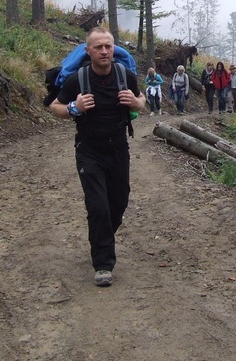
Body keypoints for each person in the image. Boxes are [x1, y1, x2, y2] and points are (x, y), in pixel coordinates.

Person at [49, 27, 145, 287]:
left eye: (108, 46)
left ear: (114, 49)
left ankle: (101, 236)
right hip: (88, 149)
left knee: (119, 202)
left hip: (118, 148)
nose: (104, 51)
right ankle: (103, 264)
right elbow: (54, 106)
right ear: (88, 51)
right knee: (97, 205)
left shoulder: (125, 76)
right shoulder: (77, 80)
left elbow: (141, 100)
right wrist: (73, 107)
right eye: (99, 47)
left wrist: (136, 104)